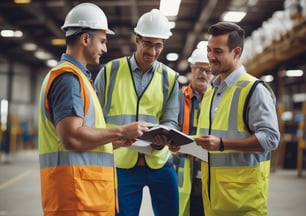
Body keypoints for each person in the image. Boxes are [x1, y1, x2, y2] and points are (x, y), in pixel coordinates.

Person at [38, 3, 149, 216]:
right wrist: (121, 131)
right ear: (85, 39)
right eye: (102, 41)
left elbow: (82, 136)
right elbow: (71, 137)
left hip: (86, 197)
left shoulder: (79, 79)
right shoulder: (68, 79)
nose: (105, 49)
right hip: (77, 199)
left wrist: (112, 142)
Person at [94, 9, 180, 216]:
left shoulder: (170, 77)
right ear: (137, 40)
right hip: (121, 163)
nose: (152, 51)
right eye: (148, 44)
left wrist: (164, 138)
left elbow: (170, 118)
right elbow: (94, 117)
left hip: (160, 163)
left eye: (158, 45)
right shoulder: (110, 71)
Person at [194, 21, 280, 216]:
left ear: (236, 52)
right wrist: (184, 147)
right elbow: (211, 143)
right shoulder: (211, 93)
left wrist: (222, 143)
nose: (210, 57)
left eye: (218, 51)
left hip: (243, 203)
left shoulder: (254, 90)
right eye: (209, 50)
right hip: (213, 200)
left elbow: (270, 139)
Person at [176, 47, 212, 216]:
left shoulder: (218, 99)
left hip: (209, 166)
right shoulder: (178, 97)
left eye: (208, 70)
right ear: (192, 68)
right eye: (199, 68)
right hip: (183, 166)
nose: (203, 74)